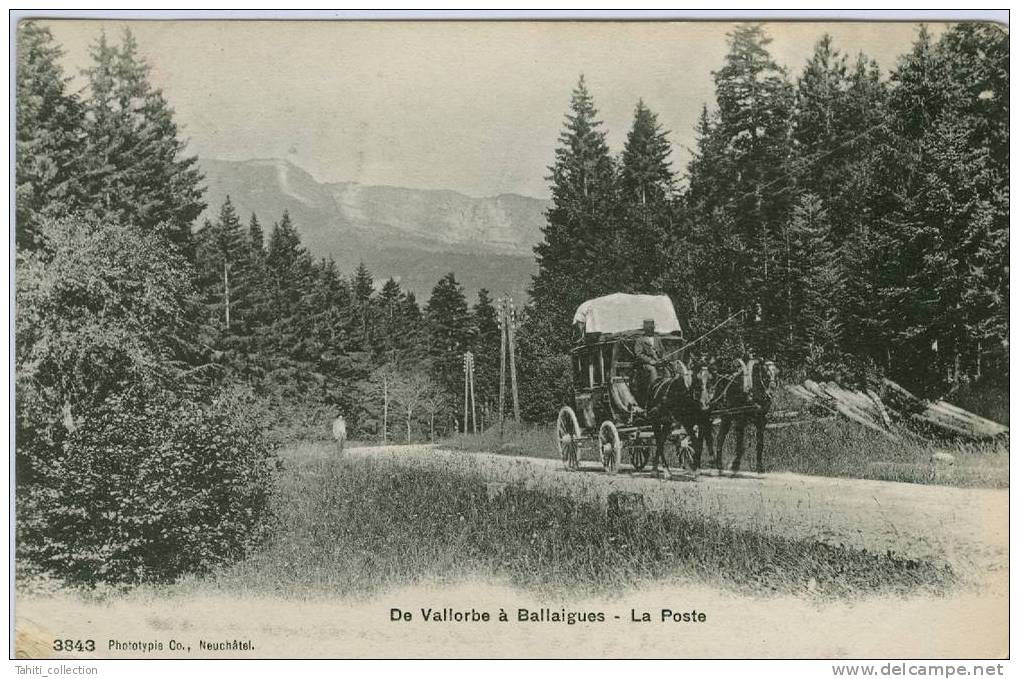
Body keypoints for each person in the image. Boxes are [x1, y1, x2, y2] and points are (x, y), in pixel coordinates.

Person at [634, 319, 665, 406]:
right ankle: (654, 392)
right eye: (649, 328)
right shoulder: (640, 340)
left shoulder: (657, 339)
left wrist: (662, 359)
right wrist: (650, 361)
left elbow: (662, 351)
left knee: (669, 370)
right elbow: (639, 354)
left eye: (652, 328)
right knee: (652, 370)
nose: (651, 330)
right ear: (645, 329)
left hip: (658, 362)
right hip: (645, 365)